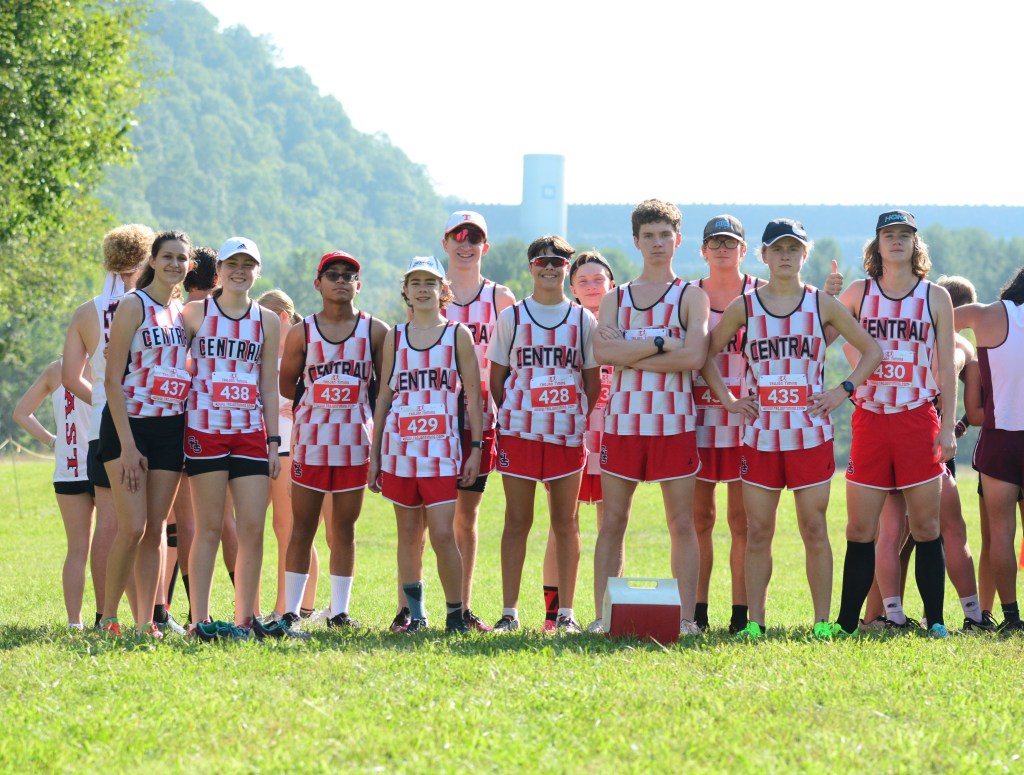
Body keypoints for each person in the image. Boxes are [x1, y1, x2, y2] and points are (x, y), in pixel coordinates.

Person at [701, 219, 881, 640]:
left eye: (793, 249)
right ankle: (755, 623)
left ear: (805, 254)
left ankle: (822, 623)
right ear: (763, 255)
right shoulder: (745, 306)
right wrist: (729, 400)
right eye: (778, 249)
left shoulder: (821, 304)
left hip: (809, 435)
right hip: (761, 436)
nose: (785, 256)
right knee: (759, 531)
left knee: (814, 527)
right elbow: (704, 354)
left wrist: (842, 391)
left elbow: (872, 350)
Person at [833, 210, 957, 639]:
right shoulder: (859, 292)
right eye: (889, 235)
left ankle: (935, 620)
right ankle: (846, 623)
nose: (897, 241)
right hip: (870, 418)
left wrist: (947, 425)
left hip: (917, 418)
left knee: (926, 527)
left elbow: (946, 367)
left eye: (905, 234)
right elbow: (821, 334)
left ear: (915, 243)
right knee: (859, 529)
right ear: (878, 243)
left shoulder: (935, 296)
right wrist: (827, 299)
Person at [590, 199, 710, 635]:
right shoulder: (615, 297)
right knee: (612, 523)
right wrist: (662, 344)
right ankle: (603, 617)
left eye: (664, 235)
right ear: (636, 242)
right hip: (622, 424)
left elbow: (694, 357)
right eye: (649, 236)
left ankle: (686, 619)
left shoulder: (691, 296)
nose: (657, 243)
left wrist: (630, 352)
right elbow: (603, 352)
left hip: (673, 424)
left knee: (682, 524)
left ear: (678, 240)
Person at [393, 210, 515, 632]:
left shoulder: (500, 298)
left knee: (463, 518)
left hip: (477, 417)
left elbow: (512, 361)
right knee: (416, 520)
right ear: (445, 243)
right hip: (427, 418)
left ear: (485, 246)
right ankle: (409, 610)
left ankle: (459, 608)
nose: (466, 244)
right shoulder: (424, 290)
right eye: (458, 237)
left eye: (474, 237)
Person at [860, 274, 992, 632]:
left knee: (890, 534)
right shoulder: (960, 345)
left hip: (889, 433)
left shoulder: (902, 334)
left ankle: (885, 615)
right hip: (929, 440)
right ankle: (973, 614)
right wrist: (956, 423)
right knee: (950, 530)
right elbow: (974, 401)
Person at [487, 236, 601, 633]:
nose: (549, 267)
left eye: (557, 262)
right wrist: (519, 413)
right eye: (542, 261)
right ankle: (509, 613)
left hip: (566, 436)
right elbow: (497, 380)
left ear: (567, 268)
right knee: (517, 521)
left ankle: (566, 614)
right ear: (531, 266)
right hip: (520, 434)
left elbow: (592, 383)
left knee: (565, 523)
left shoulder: (582, 320)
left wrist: (571, 416)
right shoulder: (513, 317)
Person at [183, 237, 289, 640]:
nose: (240, 271)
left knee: (252, 529)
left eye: (248, 265)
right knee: (209, 528)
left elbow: (268, 386)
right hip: (204, 432)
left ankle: (246, 619)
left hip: (249, 435)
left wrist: (274, 443)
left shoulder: (268, 321)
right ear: (219, 271)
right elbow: (172, 363)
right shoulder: (195, 313)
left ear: (257, 271)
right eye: (232, 264)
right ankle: (200, 620)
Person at [368, 255, 482, 634]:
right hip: (400, 451)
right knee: (407, 534)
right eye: (415, 282)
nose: (422, 289)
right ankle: (416, 616)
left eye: (429, 282)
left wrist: (476, 448)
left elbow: (473, 397)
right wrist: (375, 455)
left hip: (441, 453)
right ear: (406, 290)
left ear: (442, 289)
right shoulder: (395, 337)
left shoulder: (457, 335)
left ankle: (455, 614)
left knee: (443, 534)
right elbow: (384, 397)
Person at [279, 252, 388, 631]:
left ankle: (339, 612)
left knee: (344, 529)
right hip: (311, 442)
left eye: (348, 275)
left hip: (355, 443)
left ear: (359, 284)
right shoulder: (302, 332)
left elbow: (384, 389)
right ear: (318, 283)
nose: (341, 280)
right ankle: (291, 612)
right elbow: (286, 384)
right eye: (332, 274)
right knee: (302, 528)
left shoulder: (376, 331)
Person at [97, 230, 192, 637]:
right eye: (167, 256)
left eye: (181, 258)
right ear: (152, 260)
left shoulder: (182, 312)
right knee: (132, 527)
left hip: (171, 428)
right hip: (128, 428)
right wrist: (129, 446)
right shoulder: (132, 305)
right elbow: (111, 380)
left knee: (156, 529)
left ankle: (146, 623)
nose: (175, 264)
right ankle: (108, 618)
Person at [62, 223, 153, 628]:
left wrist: (102, 402)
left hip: (104, 428)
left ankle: (104, 615)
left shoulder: (87, 311)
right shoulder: (152, 305)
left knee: (110, 524)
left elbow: (70, 377)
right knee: (146, 526)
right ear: (147, 257)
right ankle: (148, 615)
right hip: (149, 420)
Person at [691, 215, 762, 634]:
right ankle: (697, 613)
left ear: (743, 250)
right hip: (697, 418)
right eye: (715, 242)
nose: (722, 249)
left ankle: (740, 615)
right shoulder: (688, 294)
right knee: (699, 520)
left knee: (743, 522)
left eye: (730, 242)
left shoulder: (762, 293)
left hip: (747, 420)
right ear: (703, 250)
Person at [540, 251, 615, 631]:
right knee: (561, 525)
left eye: (598, 279)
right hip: (569, 436)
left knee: (611, 527)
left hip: (613, 436)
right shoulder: (563, 325)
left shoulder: (624, 322)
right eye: (583, 281)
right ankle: (554, 616)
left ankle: (606, 614)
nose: (592, 286)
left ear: (611, 285)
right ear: (572, 288)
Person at [955, 265, 1024, 633]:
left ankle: (1010, 617)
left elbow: (927, 321)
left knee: (1000, 533)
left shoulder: (985, 315)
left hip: (1000, 440)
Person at [257, 288, 324, 622]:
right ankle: (279, 608)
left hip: (291, 448)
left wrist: (296, 407)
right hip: (263, 446)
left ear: (283, 318)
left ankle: (290, 608)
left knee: (289, 528)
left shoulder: (304, 352)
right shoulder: (263, 354)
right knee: (270, 527)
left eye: (264, 320)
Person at [14, 360, 95, 629]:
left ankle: (75, 623)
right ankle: (107, 618)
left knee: (77, 550)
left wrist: (53, 441)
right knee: (110, 544)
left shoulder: (54, 369)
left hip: (68, 469)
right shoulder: (105, 361)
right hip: (102, 463)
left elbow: (21, 413)